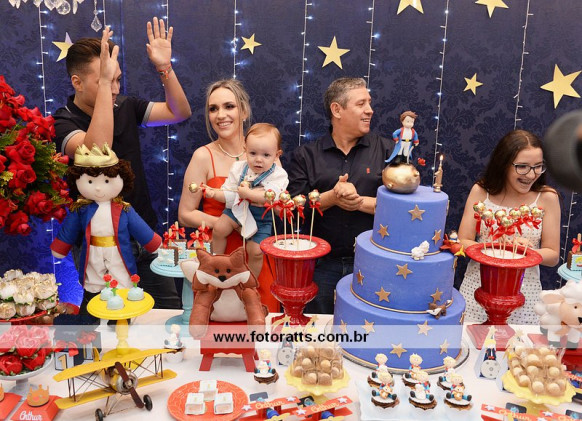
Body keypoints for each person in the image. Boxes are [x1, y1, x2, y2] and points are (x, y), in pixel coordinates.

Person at [53, 19, 191, 309]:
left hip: (144, 233)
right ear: (77, 82)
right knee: (109, 321)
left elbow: (179, 112)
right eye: (105, 80)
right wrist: (105, 86)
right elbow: (96, 151)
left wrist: (164, 68)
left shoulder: (125, 105)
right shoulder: (63, 120)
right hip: (98, 248)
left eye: (117, 79)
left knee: (168, 313)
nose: (114, 88)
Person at [287, 77, 392, 314]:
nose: (370, 110)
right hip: (320, 266)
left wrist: (358, 203)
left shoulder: (388, 151)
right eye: (361, 103)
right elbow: (291, 210)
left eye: (369, 102)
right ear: (337, 110)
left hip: (373, 266)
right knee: (319, 332)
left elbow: (404, 208)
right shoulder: (306, 156)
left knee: (367, 332)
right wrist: (331, 197)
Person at [177, 79, 279, 311]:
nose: (220, 115)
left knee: (259, 323)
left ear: (244, 111)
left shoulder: (266, 153)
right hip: (218, 261)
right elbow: (185, 214)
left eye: (229, 106)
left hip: (256, 255)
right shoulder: (203, 156)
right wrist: (230, 223)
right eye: (213, 109)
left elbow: (277, 200)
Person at [458, 129, 561, 324]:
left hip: (524, 296)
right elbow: (463, 241)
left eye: (538, 166)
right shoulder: (481, 191)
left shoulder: (547, 198)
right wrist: (497, 250)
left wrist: (526, 252)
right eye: (522, 167)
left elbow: (553, 256)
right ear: (503, 164)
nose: (531, 174)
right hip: (477, 291)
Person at [51, 144, 162, 314]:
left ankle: (120, 314)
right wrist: (60, 247)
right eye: (90, 182)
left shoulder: (123, 209)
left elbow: (140, 228)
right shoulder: (81, 209)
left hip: (118, 252)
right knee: (94, 285)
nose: (98, 188)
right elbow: (69, 230)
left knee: (121, 281)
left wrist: (153, 243)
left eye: (106, 181)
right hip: (93, 253)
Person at [202, 123, 288, 277]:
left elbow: (270, 196)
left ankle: (250, 280)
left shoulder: (279, 175)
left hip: (261, 217)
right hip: (237, 209)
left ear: (277, 155)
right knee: (220, 228)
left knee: (255, 251)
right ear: (245, 149)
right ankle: (215, 262)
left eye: (266, 155)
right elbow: (229, 193)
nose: (258, 160)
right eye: (253, 153)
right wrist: (214, 193)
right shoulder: (238, 168)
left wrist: (247, 193)